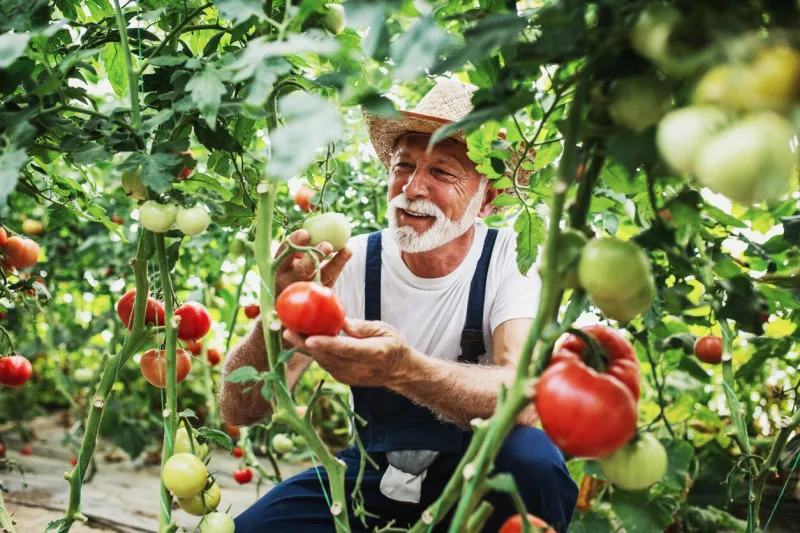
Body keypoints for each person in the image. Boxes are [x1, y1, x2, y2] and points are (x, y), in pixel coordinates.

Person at [221, 80, 578, 532]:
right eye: (403, 166)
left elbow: (525, 397)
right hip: (372, 474)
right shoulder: (346, 262)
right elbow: (243, 410)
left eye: (442, 173)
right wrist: (274, 314)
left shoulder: (511, 257)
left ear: (487, 199)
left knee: (533, 460)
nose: (412, 187)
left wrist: (404, 370)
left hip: (478, 478)